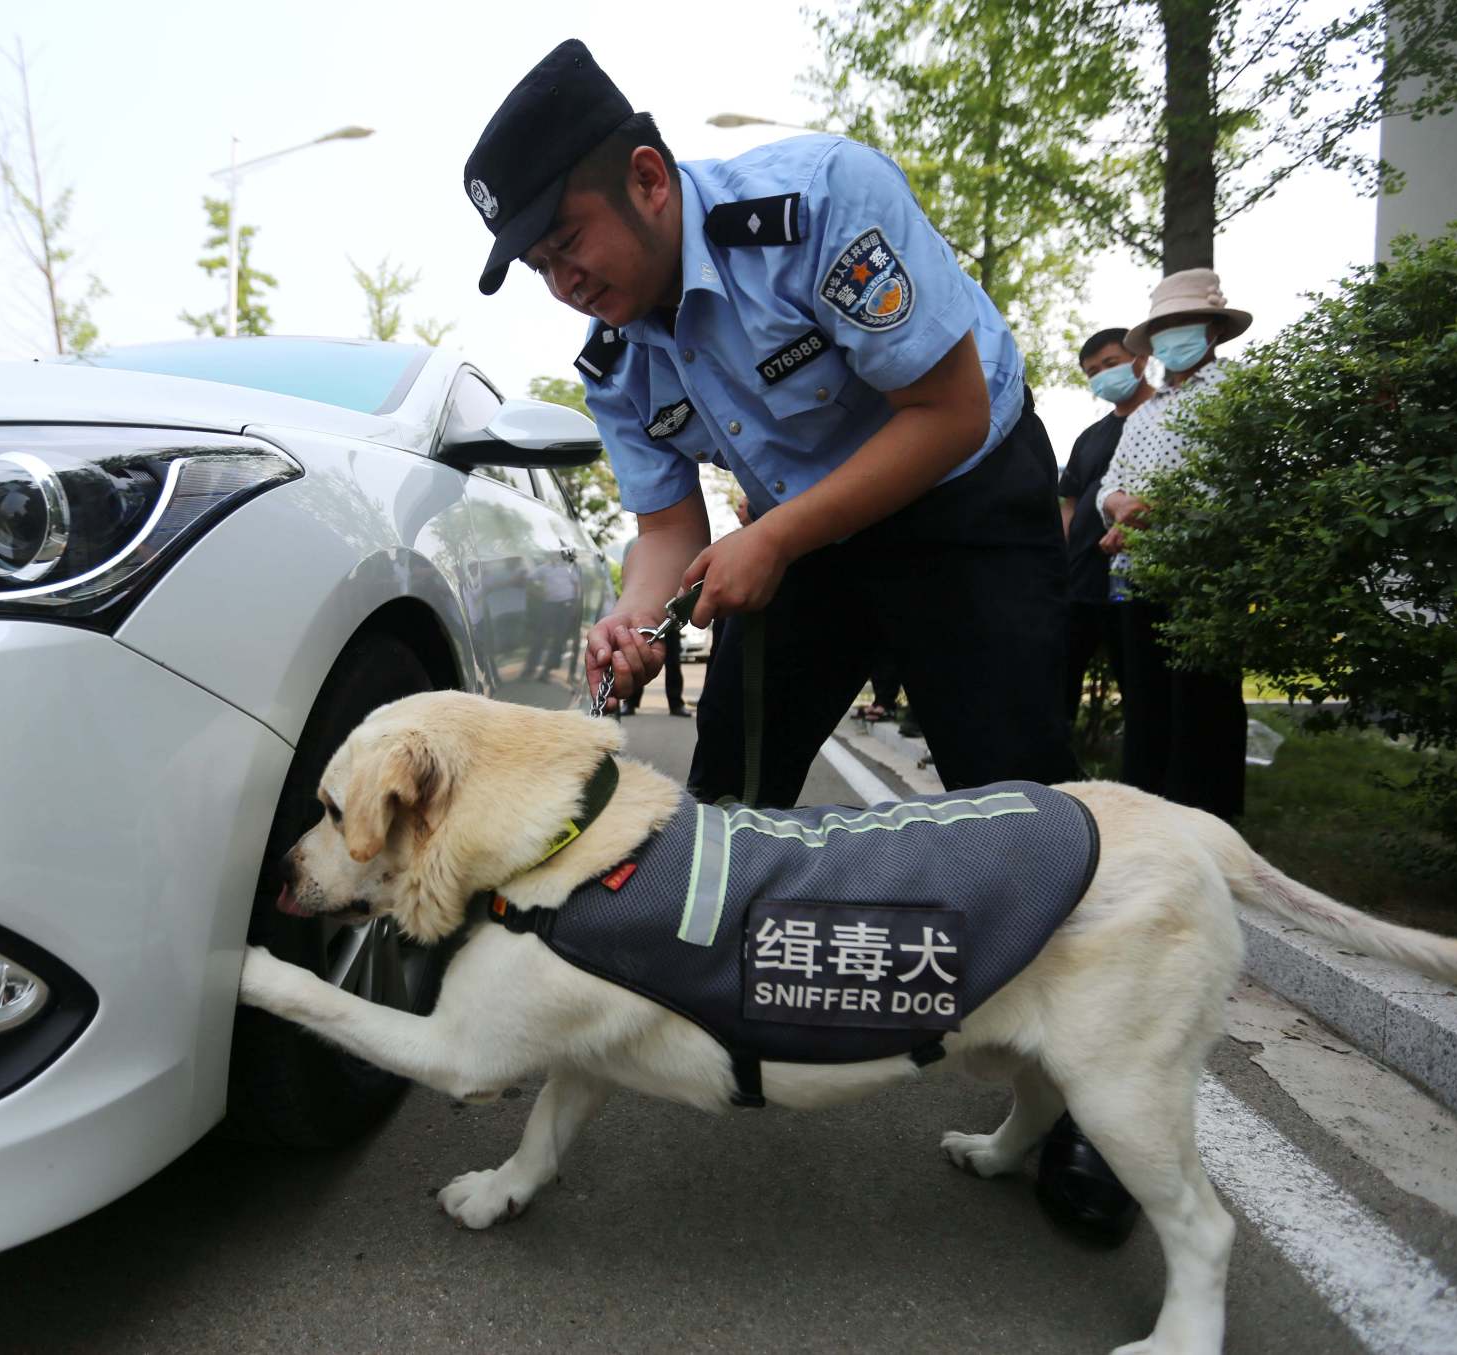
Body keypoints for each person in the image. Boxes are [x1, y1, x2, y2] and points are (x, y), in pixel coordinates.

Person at [463, 39, 1127, 1245]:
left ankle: (1088, 1104)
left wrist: (774, 538)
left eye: (570, 243)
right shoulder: (613, 358)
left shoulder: (818, 204)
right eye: (539, 266)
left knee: (1021, 798)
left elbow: (947, 411)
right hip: (808, 532)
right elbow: (665, 526)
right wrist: (633, 613)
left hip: (960, 493)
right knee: (723, 794)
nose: (565, 282)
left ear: (650, 181)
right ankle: (706, 1010)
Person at [1096, 269, 1251, 821]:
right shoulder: (1147, 411)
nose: (1174, 337)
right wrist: (1117, 506)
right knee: (1146, 698)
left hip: (1205, 574)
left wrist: (1151, 513)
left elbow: (1231, 482)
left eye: (1185, 324)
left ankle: (1206, 821)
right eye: (1164, 327)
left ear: (1212, 329)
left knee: (1204, 702)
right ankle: (1147, 814)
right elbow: (1111, 481)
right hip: (1138, 576)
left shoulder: (1239, 393)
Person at [1059, 328, 1151, 724]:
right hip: (1080, 583)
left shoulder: (1161, 420)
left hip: (1134, 586)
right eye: (1092, 371)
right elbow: (1070, 503)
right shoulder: (1090, 437)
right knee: (1057, 683)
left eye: (1110, 364)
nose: (1102, 376)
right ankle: (1050, 779)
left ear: (1140, 360)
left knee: (1142, 691)